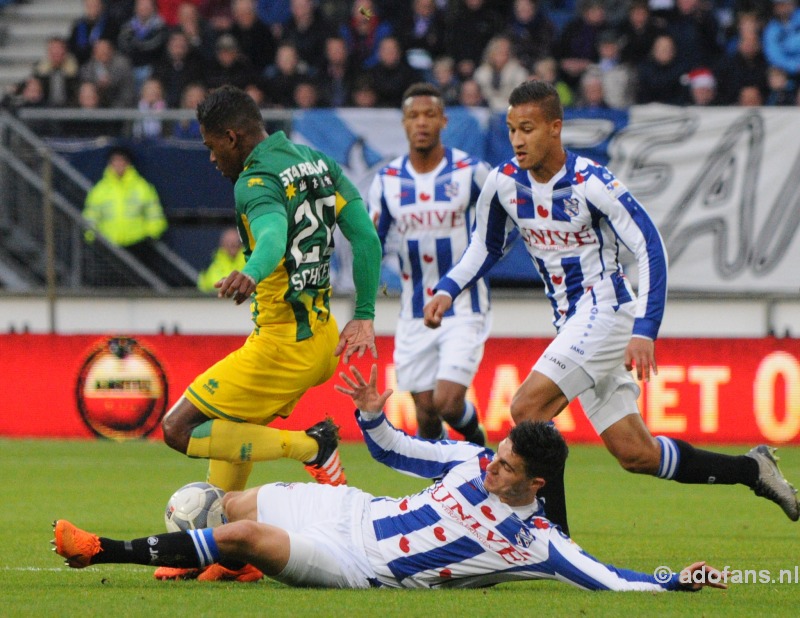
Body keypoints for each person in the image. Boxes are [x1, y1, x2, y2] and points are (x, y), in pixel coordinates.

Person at [423, 80, 800, 535]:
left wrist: (646, 327)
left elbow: (650, 246)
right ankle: (752, 470)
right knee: (636, 454)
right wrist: (447, 288)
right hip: (572, 324)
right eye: (511, 129)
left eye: (528, 128)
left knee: (527, 408)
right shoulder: (504, 183)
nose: (518, 140)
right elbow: (483, 247)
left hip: (606, 310)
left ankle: (551, 536)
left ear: (555, 128)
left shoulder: (591, 183)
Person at [53, 365, 728, 593]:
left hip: (355, 561)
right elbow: (402, 453)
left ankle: (103, 551)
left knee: (247, 531)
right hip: (350, 507)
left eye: (508, 468)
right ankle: (228, 564)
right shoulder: (474, 463)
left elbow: (607, 578)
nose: (491, 467)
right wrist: (373, 415)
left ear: (538, 488)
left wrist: (674, 582)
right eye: (495, 456)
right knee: (215, 502)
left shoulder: (538, 544)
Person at [153, 85, 382, 580]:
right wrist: (363, 312)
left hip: (280, 346)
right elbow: (364, 234)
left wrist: (253, 271)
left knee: (178, 429)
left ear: (233, 137)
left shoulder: (255, 181)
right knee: (229, 436)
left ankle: (311, 446)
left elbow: (274, 232)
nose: (213, 159)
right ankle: (229, 558)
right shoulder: (317, 161)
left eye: (213, 147)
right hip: (321, 338)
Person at [367, 83, 490, 445]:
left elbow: (504, 224)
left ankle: (479, 445)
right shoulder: (387, 181)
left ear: (443, 121)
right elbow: (373, 241)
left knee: (448, 403)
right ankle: (439, 492)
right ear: (403, 124)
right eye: (413, 116)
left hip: (464, 304)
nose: (421, 123)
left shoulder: (471, 172)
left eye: (429, 115)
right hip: (413, 311)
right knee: (426, 413)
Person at [83, 146, 190, 285]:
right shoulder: (99, 190)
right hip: (107, 247)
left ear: (128, 164)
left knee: (135, 283)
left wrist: (149, 236)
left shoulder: (142, 187)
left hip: (137, 246)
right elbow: (90, 217)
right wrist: (92, 238)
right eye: (115, 161)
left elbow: (155, 215)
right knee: (109, 285)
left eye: (122, 161)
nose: (118, 165)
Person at [197, 227, 245, 292]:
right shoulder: (210, 263)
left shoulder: (251, 262)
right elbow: (201, 288)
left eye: (236, 241)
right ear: (222, 244)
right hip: (214, 301)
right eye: (228, 241)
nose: (232, 244)